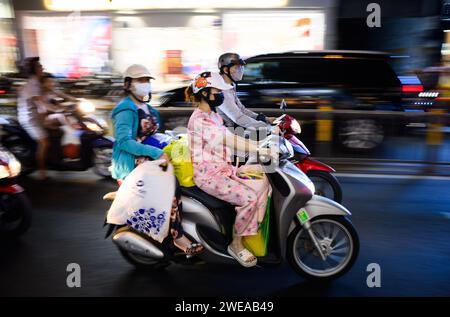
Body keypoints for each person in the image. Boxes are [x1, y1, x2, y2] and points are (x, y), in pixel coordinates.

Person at [111, 64, 203, 256]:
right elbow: (124, 141)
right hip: (135, 161)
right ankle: (178, 237)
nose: (145, 85)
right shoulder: (125, 109)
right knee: (172, 183)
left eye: (147, 81)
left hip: (152, 155)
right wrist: (156, 153)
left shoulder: (148, 108)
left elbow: (154, 133)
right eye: (140, 81)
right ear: (128, 84)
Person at [186, 71, 271, 267]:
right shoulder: (200, 120)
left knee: (262, 178)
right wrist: (257, 148)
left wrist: (258, 141)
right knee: (249, 198)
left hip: (224, 169)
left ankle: (251, 229)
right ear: (206, 93)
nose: (221, 95)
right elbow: (228, 140)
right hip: (209, 176)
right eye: (218, 91)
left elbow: (232, 137)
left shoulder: (213, 116)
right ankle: (236, 244)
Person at [217, 53, 276, 131]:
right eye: (237, 67)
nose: (241, 69)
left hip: (235, 129)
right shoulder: (221, 90)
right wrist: (267, 127)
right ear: (225, 70)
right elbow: (238, 118)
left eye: (241, 67)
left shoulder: (231, 86)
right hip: (227, 132)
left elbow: (242, 109)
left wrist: (265, 119)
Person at [17, 57, 49, 180]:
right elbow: (40, 102)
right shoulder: (33, 84)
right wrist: (56, 109)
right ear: (35, 69)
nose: (42, 69)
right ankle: (42, 172)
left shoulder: (38, 83)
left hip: (36, 117)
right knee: (44, 142)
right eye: (40, 67)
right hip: (29, 119)